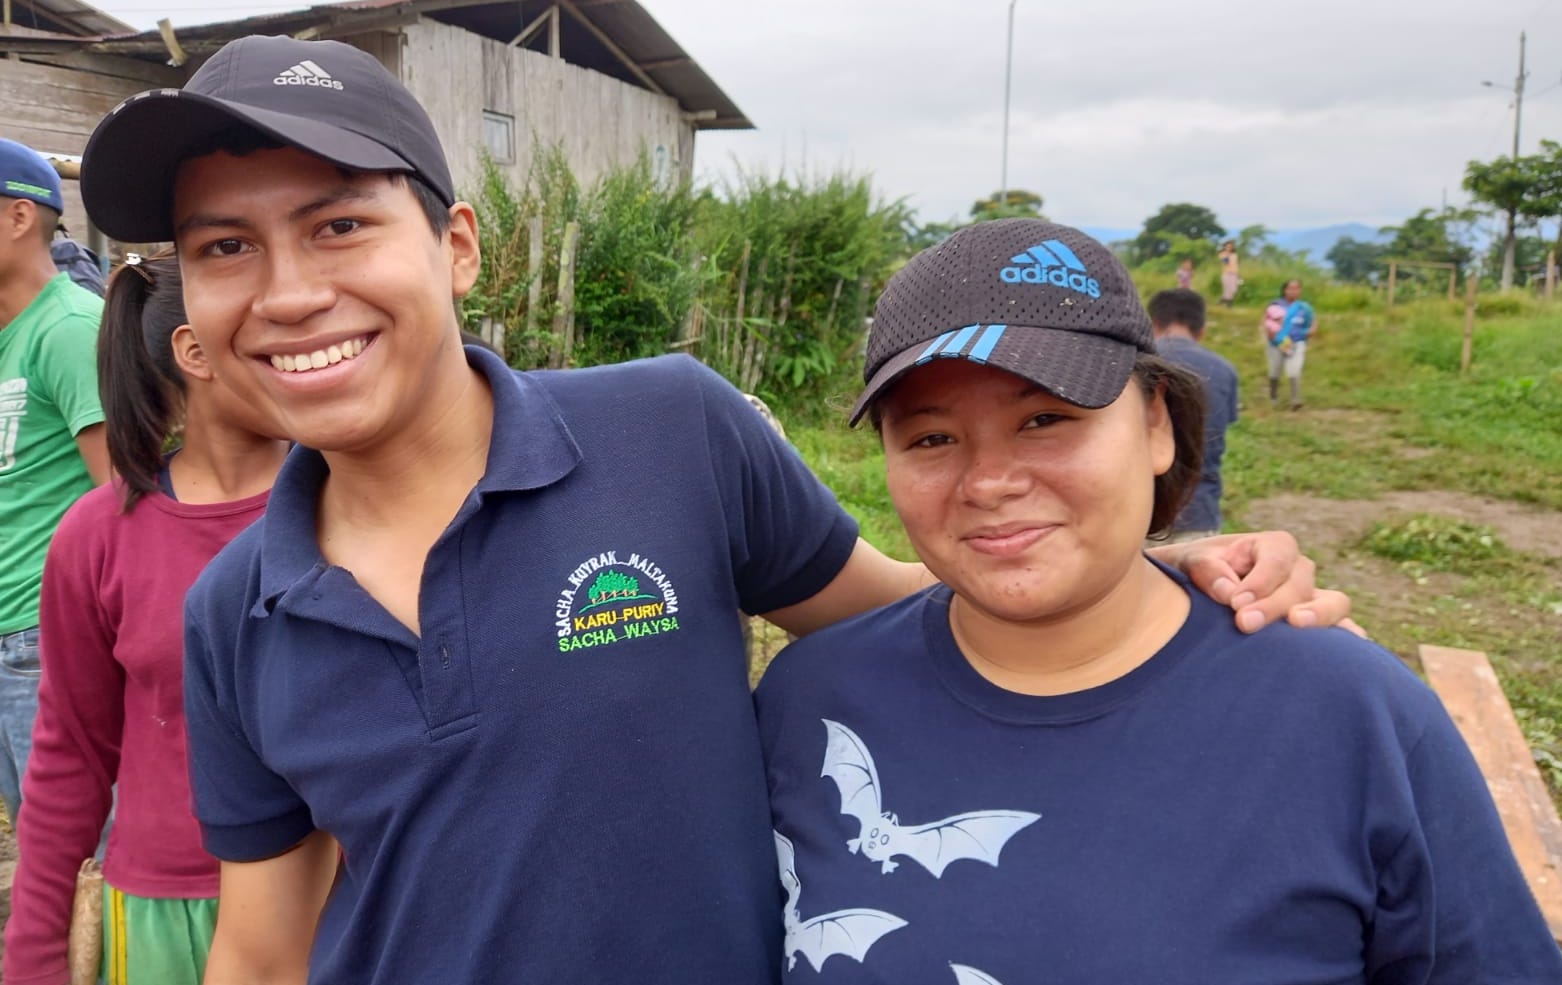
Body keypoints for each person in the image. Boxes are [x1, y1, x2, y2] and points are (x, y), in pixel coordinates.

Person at [80, 36, 1350, 985]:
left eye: (340, 222)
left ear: (457, 246)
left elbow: (925, 624)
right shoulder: (237, 608)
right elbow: (262, 944)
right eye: (225, 248)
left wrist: (1153, 565)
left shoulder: (667, 432)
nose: (288, 291)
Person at [756, 219, 1561, 985]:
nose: (990, 482)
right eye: (931, 438)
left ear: (1157, 427)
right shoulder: (812, 700)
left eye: (1045, 419)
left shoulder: (1357, 720)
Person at [3, 252, 289, 985]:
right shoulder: (98, 534)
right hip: (165, 913)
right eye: (267, 329)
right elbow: (70, 754)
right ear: (193, 351)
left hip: (338, 893)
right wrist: (33, 951)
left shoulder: (348, 499)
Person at [0, 137, 109, 828]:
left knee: (78, 853)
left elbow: (120, 496)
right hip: (8, 635)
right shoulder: (10, 337)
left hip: (46, 640)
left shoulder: (70, 328)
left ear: (17, 219)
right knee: (40, 846)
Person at [1148, 288, 1238, 541]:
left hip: (1141, 512)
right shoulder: (1224, 370)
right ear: (1201, 330)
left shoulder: (1135, 363)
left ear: (1152, 322)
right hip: (1200, 511)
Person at [1263, 277, 1316, 409]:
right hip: (1277, 343)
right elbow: (1267, 321)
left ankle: (1295, 399)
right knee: (1275, 371)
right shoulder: (1276, 305)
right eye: (1290, 289)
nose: (1293, 292)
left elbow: (1312, 321)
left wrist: (1311, 331)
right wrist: (1273, 335)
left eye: (1296, 289)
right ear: (1285, 290)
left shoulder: (1304, 307)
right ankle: (1273, 396)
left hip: (1297, 342)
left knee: (1294, 370)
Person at [1217, 239, 1240, 305]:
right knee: (1227, 289)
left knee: (1234, 290)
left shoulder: (1235, 255)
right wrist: (1227, 254)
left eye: (1231, 246)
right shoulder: (1222, 254)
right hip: (1226, 273)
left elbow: (1236, 265)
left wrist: (1238, 274)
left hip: (1234, 274)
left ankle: (1222, 300)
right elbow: (1225, 262)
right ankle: (1229, 303)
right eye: (1228, 246)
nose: (1229, 247)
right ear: (1225, 247)